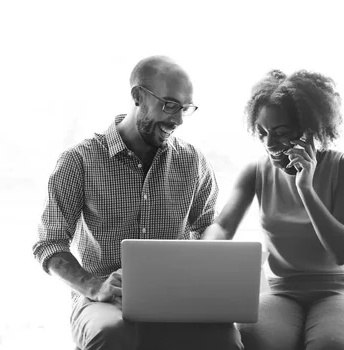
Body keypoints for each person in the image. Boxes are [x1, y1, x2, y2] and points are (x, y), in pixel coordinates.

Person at [33, 55, 243, 350]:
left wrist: (217, 264)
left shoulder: (192, 161)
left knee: (225, 338)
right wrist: (94, 286)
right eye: (169, 105)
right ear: (137, 97)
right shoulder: (79, 160)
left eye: (185, 109)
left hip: (176, 298)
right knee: (112, 333)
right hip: (103, 301)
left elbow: (207, 228)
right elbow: (49, 243)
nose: (178, 119)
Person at [202, 70, 344, 350]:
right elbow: (223, 226)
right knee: (251, 338)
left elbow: (342, 251)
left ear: (310, 130)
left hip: (340, 290)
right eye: (263, 133)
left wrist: (305, 188)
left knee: (332, 344)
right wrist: (202, 252)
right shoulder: (256, 171)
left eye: (281, 133)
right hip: (280, 291)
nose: (270, 144)